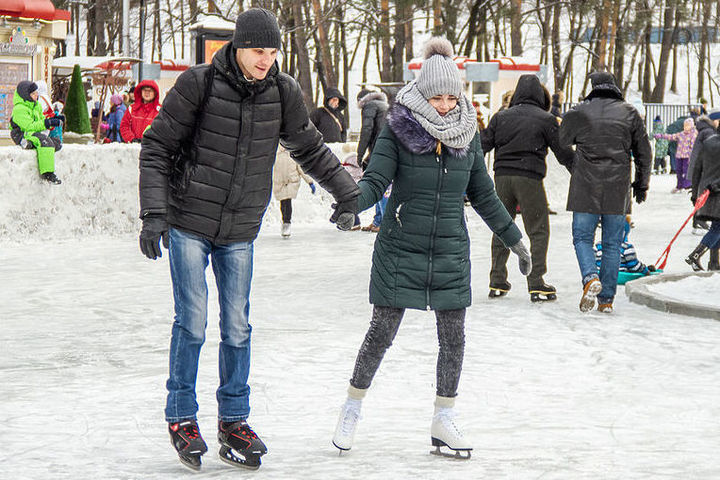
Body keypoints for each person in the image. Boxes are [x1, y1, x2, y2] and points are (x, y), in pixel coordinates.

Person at [137, 8, 359, 471]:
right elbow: (158, 146)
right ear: (237, 47)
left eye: (273, 52)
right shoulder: (198, 83)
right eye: (259, 50)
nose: (266, 60)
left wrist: (348, 194)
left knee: (237, 327)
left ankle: (234, 419)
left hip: (240, 227)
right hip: (189, 220)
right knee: (193, 322)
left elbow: (310, 148)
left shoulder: (283, 91)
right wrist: (155, 213)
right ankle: (181, 415)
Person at [331, 38, 531, 458]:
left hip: (449, 250)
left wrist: (513, 237)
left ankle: (444, 418)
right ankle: (352, 407)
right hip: (401, 246)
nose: (443, 106)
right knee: (380, 334)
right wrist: (352, 207)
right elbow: (375, 181)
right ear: (422, 94)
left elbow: (483, 193)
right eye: (436, 97)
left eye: (450, 97)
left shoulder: (467, 133)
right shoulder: (398, 128)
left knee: (453, 340)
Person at [559, 71, 652, 313]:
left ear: (593, 87)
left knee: (582, 238)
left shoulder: (579, 111)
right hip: (617, 186)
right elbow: (644, 152)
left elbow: (561, 141)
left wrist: (575, 165)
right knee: (612, 244)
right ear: (614, 86)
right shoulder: (629, 113)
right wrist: (641, 184)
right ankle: (607, 300)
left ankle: (590, 277)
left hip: (585, 185)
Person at [481, 74, 575, 302]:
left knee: (502, 227)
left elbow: (482, 145)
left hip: (502, 178)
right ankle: (536, 281)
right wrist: (580, 172)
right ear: (541, 96)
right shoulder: (546, 119)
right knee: (538, 230)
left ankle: (497, 279)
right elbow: (563, 152)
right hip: (529, 179)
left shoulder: (500, 117)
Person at [9, 80, 63, 184]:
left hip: (32, 133)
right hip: (21, 133)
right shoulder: (19, 109)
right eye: (33, 93)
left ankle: (29, 144)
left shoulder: (36, 105)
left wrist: (53, 122)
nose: (36, 95)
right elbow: (29, 126)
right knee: (45, 142)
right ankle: (48, 173)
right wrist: (46, 123)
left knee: (56, 142)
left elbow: (41, 120)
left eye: (36, 92)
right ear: (26, 95)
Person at [687, 124, 720, 271]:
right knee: (717, 228)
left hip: (705, 191)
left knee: (716, 227)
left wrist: (695, 194)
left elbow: (697, 169)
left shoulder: (708, 143)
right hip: (716, 191)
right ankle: (695, 255)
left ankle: (714, 263)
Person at [356, 88, 389, 231]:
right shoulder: (384, 105)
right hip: (388, 148)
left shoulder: (369, 106)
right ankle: (378, 220)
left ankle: (383, 222)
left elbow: (366, 130)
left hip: (379, 150)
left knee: (379, 184)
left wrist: (360, 154)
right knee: (383, 183)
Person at [272, 146, 316, 238]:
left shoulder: (293, 153)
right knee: (283, 203)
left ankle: (287, 223)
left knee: (287, 202)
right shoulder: (275, 154)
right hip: (279, 182)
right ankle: (285, 222)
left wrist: (310, 181)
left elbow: (301, 169)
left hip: (291, 181)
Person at [654, 118, 697, 192]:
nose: (685, 127)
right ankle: (679, 186)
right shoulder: (681, 134)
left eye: (687, 126)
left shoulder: (693, 135)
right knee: (679, 171)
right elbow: (671, 136)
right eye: (685, 126)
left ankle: (687, 186)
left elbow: (693, 147)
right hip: (679, 156)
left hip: (687, 157)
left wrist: (691, 156)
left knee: (686, 171)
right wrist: (661, 136)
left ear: (691, 126)